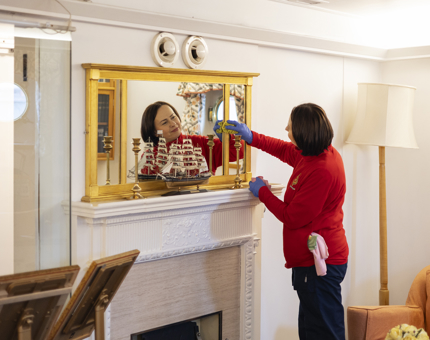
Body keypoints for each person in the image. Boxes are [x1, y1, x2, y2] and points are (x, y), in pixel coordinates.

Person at [220, 103, 349, 340]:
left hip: (319, 265)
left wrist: (263, 194)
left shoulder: (323, 169)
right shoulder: (314, 153)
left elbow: (293, 217)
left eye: (290, 126)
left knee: (323, 333)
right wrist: (251, 137)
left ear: (303, 132)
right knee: (312, 331)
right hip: (310, 263)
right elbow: (283, 149)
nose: (286, 129)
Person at [140, 101, 243, 175]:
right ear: (155, 132)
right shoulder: (150, 156)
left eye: (173, 117)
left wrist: (228, 138)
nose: (173, 123)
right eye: (165, 122)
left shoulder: (200, 143)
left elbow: (240, 151)